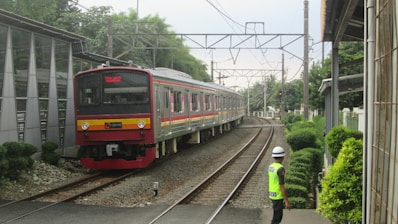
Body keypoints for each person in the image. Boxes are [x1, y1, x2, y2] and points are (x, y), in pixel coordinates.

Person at [268, 146, 291, 224]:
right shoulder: (280, 169)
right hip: (278, 195)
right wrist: (287, 201)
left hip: (272, 193)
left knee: (276, 216)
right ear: (282, 157)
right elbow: (281, 186)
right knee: (277, 218)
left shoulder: (271, 166)